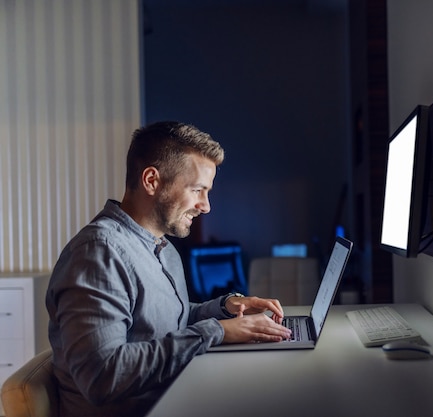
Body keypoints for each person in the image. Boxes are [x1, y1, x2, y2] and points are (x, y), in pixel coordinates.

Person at [45, 121, 292, 417]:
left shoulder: (163, 247)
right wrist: (216, 331)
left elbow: (166, 322)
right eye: (197, 190)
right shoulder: (98, 253)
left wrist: (226, 307)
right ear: (152, 180)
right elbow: (102, 377)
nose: (206, 206)